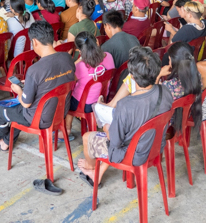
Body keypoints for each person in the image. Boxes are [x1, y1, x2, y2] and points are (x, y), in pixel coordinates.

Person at [78, 46, 172, 187]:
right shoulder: (165, 91)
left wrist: (106, 126)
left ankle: (91, 170)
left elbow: (115, 142)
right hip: (155, 146)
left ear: (132, 77)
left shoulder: (126, 105)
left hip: (132, 155)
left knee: (87, 137)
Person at [0, 21, 76, 151]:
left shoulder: (35, 69)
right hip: (60, 113)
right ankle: (6, 139)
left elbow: (26, 104)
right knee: (16, 111)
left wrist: (19, 91)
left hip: (38, 118)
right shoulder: (67, 58)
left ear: (35, 42)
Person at [65, 32, 115, 136]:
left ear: (79, 50)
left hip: (84, 105)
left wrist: (79, 59)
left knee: (67, 100)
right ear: (96, 42)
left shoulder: (80, 66)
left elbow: (70, 80)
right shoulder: (109, 56)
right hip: (101, 99)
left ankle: (67, 129)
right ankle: (90, 124)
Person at [101, 10, 140, 82]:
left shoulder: (106, 46)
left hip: (118, 84)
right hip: (137, 79)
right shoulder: (134, 38)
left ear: (108, 26)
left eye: (104, 27)